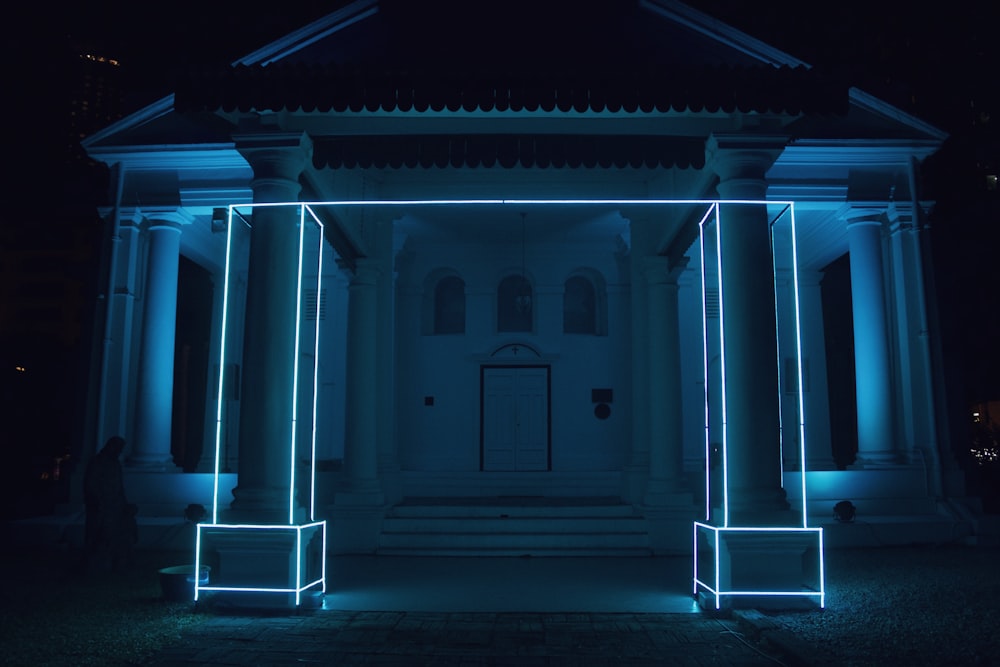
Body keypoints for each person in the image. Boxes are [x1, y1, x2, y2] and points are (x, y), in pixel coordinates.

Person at [83, 436, 135, 571]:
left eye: (120, 449)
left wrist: (124, 504)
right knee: (99, 536)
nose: (119, 451)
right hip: (101, 506)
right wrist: (96, 501)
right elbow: (90, 484)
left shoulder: (114, 463)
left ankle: (114, 564)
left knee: (114, 536)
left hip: (115, 506)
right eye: (117, 448)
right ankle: (95, 565)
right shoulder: (97, 462)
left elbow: (119, 486)